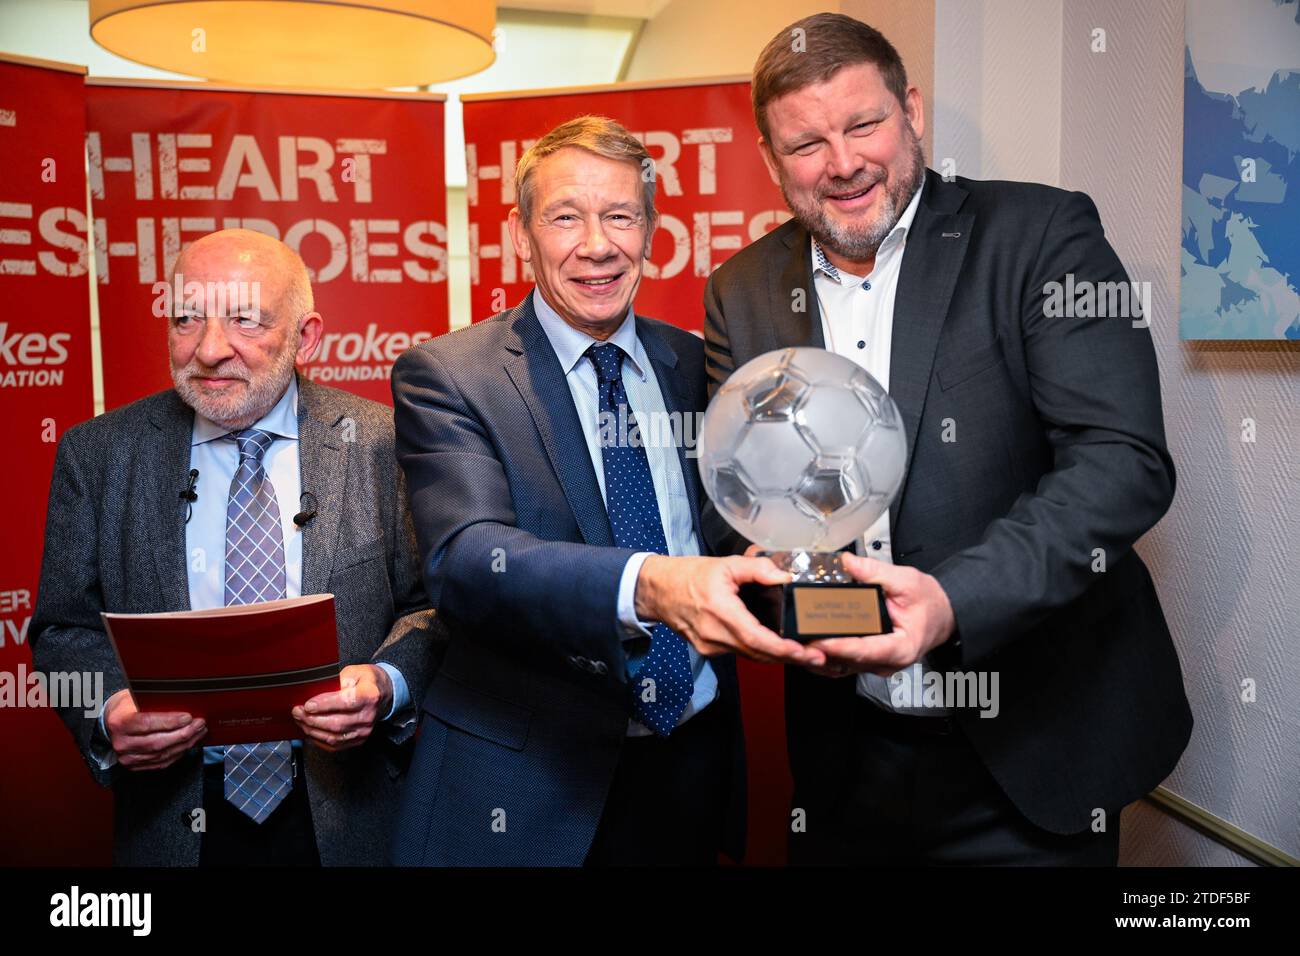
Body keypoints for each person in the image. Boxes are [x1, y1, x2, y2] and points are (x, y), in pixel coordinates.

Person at [702, 13, 1192, 865]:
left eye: (865, 124)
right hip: (848, 763)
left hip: (1035, 752)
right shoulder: (740, 290)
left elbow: (1122, 465)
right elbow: (752, 509)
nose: (844, 162)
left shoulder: (1040, 236)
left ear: (912, 111)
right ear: (771, 158)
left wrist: (950, 604)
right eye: (807, 143)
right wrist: (817, 617)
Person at [388, 115, 821, 867]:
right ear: (520, 235)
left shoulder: (697, 364)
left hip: (692, 763)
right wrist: (651, 584)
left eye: (621, 215)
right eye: (566, 216)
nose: (597, 244)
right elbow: (466, 559)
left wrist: (836, 600)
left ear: (652, 231)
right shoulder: (450, 375)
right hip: (531, 785)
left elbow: (735, 534)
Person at [30, 228, 441, 866]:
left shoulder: (385, 442)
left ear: (306, 337)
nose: (209, 350)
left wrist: (387, 685)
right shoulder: (99, 455)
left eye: (245, 320)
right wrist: (106, 708)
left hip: (348, 816)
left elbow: (433, 607)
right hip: (172, 823)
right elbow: (63, 630)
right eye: (187, 319)